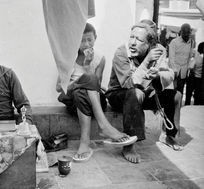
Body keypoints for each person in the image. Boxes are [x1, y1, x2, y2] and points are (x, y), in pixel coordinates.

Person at [57, 23, 137, 162]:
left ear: (95, 38)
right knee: (79, 89)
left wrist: (88, 66)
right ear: (76, 40)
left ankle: (85, 143)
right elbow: (59, 88)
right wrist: (78, 83)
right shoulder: (68, 58)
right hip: (72, 102)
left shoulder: (100, 58)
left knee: (84, 87)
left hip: (92, 101)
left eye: (89, 39)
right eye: (82, 40)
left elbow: (96, 86)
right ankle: (104, 126)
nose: (86, 44)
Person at [105, 23, 183, 164]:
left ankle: (170, 136)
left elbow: (170, 73)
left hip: (142, 93)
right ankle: (129, 145)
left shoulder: (156, 50)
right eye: (131, 37)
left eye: (139, 40)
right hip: (118, 95)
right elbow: (128, 83)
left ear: (149, 44)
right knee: (136, 92)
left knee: (175, 96)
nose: (133, 43)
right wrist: (147, 61)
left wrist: (157, 75)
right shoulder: (121, 52)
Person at [168, 23, 194, 94]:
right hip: (174, 71)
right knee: (172, 91)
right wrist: (174, 70)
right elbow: (171, 57)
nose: (186, 35)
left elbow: (189, 57)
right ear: (181, 32)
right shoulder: (174, 42)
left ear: (190, 32)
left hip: (184, 71)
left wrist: (188, 69)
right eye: (184, 33)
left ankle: (179, 105)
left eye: (188, 33)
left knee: (180, 91)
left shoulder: (191, 42)